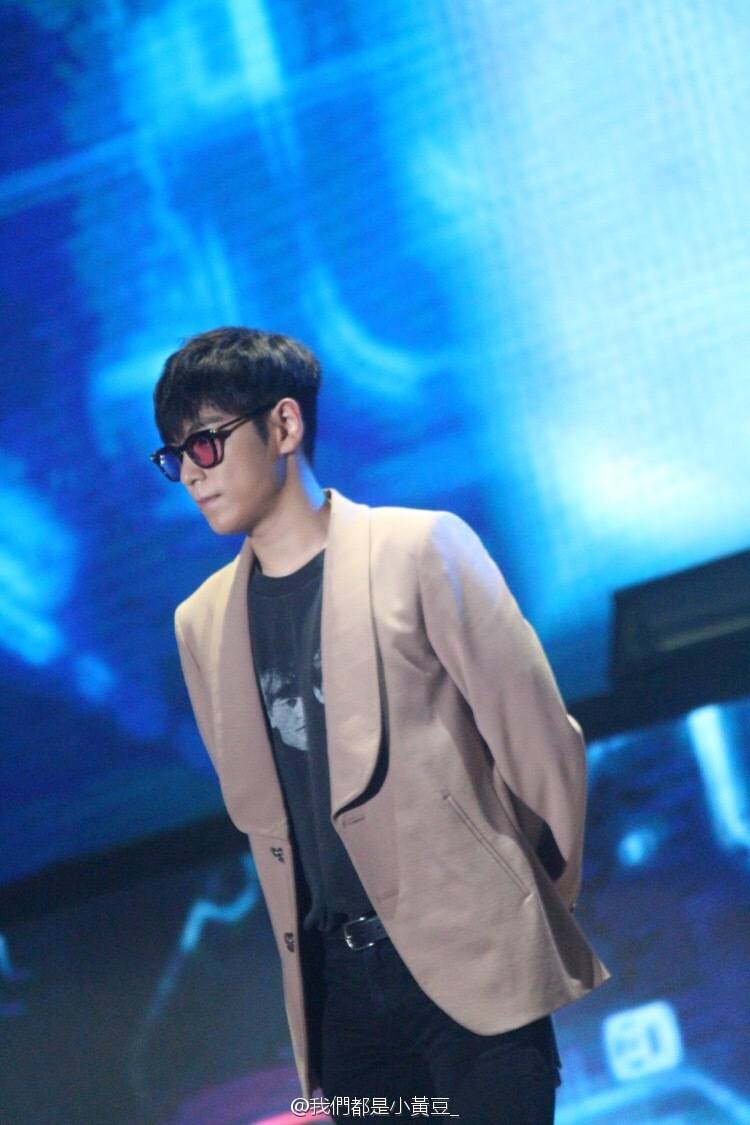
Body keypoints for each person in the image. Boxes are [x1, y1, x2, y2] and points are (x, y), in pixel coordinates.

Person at [151, 327, 609, 1123]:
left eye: (206, 442)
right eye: (175, 454)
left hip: (474, 961)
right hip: (343, 1005)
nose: (191, 471)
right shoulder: (202, 622)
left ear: (284, 424)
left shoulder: (420, 547)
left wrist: (522, 902)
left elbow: (540, 744)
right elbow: (267, 815)